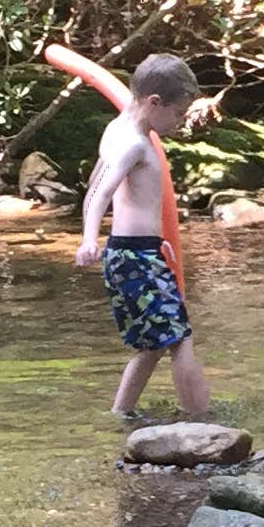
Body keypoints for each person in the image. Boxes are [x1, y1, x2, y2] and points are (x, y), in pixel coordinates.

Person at [42, 42, 214, 424]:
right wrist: (88, 238)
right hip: (137, 256)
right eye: (179, 113)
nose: (181, 121)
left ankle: (121, 414)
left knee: (151, 345)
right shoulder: (136, 143)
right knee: (180, 338)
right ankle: (201, 421)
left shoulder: (116, 129)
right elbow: (103, 190)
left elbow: (93, 182)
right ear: (154, 102)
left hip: (131, 254)